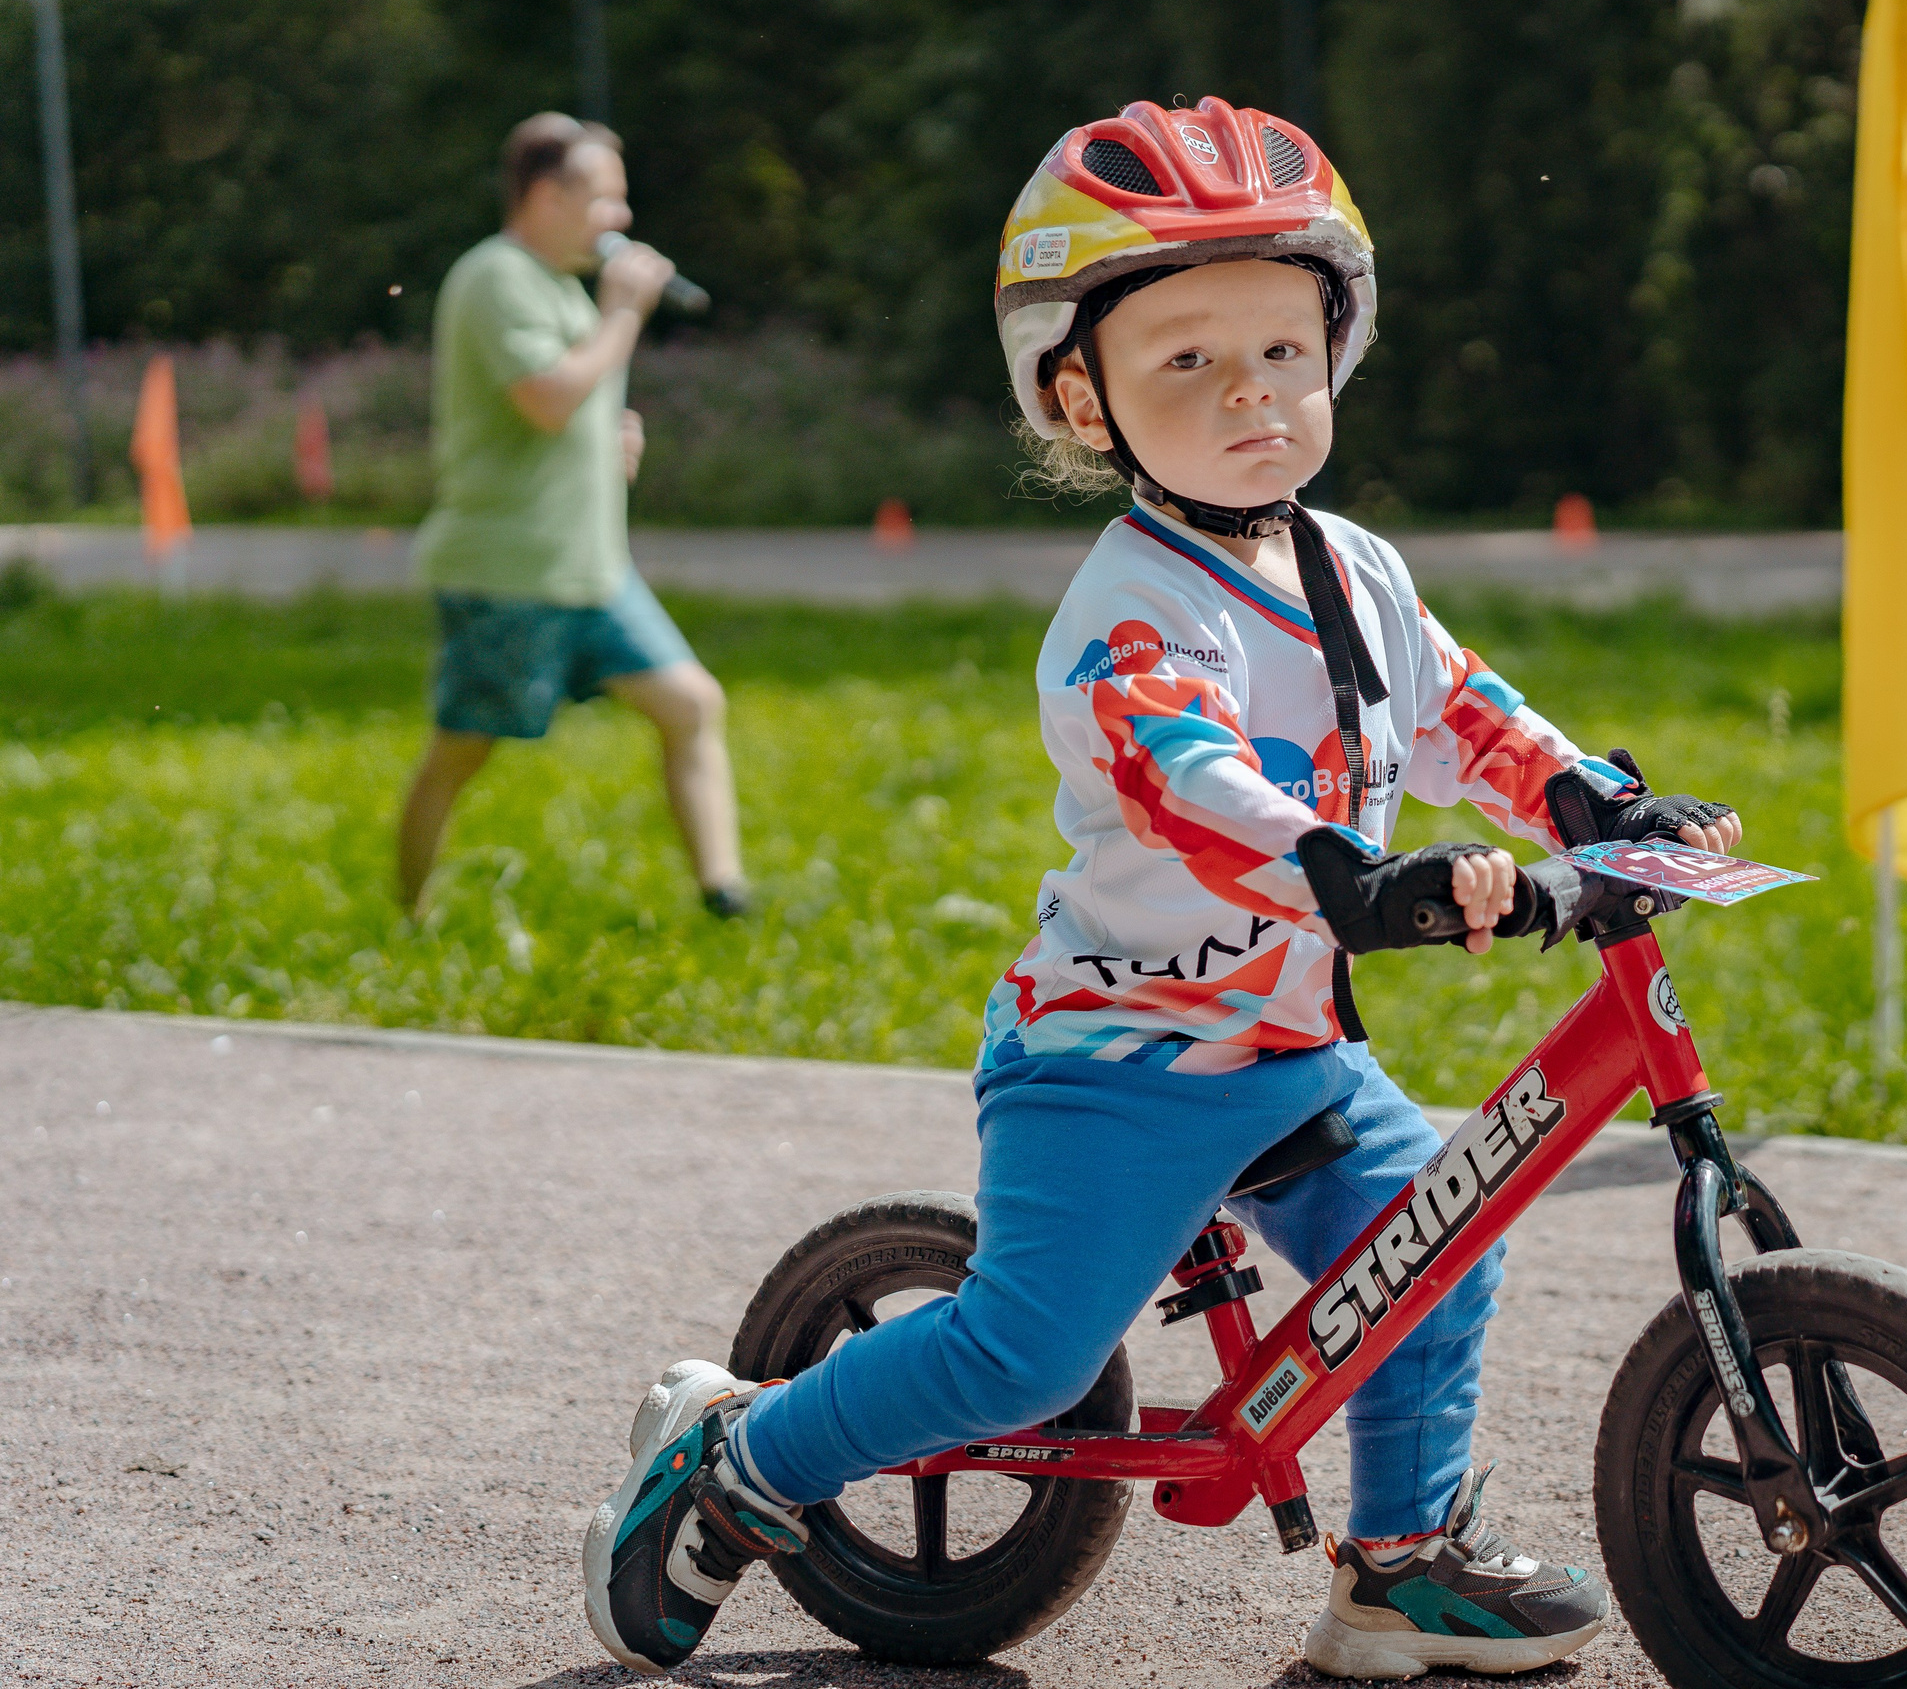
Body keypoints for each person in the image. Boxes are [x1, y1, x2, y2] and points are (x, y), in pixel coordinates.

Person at [582, 100, 1743, 1679]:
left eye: (1282, 349)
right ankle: (743, 1463)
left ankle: (1398, 1569)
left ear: (1337, 348)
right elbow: (1195, 785)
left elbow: (1467, 711)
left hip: (1287, 1049)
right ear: (1082, 395)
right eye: (1185, 362)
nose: (1251, 396)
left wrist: (1594, 799)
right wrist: (1351, 873)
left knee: (1436, 1241)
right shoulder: (1129, 611)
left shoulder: (1353, 566)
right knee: (1024, 1359)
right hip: (1115, 1061)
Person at [397, 113, 749, 920]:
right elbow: (549, 398)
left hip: (592, 569)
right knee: (460, 750)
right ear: (546, 194)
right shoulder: (494, 276)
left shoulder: (558, 285)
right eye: (605, 198)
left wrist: (608, 443)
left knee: (692, 704)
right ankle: (409, 916)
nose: (620, 220)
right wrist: (624, 312)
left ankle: (725, 897)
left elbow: (561, 404)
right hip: (511, 572)